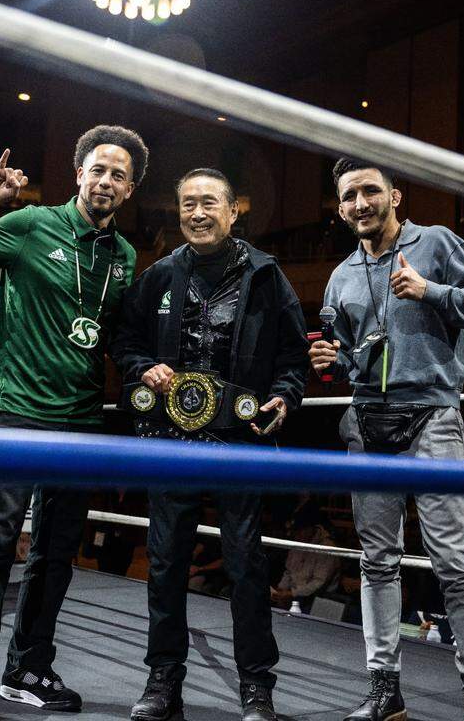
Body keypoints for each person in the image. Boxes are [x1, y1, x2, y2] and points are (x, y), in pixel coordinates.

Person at [0, 124, 147, 721]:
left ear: (129, 190)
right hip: (17, 409)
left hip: (81, 418)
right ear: (79, 173)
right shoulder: (30, 226)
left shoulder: (123, 257)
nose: (105, 181)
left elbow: (114, 338)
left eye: (118, 175)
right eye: (97, 169)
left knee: (55, 552)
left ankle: (28, 669)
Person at [309, 158, 464, 721]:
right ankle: (384, 687)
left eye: (371, 191)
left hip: (432, 417)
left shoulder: (438, 242)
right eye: (349, 196)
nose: (360, 203)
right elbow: (349, 355)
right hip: (367, 420)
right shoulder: (341, 274)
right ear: (341, 207)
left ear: (396, 196)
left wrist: (431, 289)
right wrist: (331, 359)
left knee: (454, 562)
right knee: (376, 561)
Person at [112, 167, 308, 721]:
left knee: (246, 564)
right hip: (169, 441)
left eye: (208, 204)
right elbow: (124, 341)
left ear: (233, 210)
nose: (197, 214)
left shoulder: (268, 277)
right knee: (166, 563)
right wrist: (143, 365)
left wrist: (285, 397)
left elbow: (294, 358)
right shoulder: (159, 276)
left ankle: (256, 686)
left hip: (238, 440)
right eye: (187, 205)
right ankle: (163, 679)